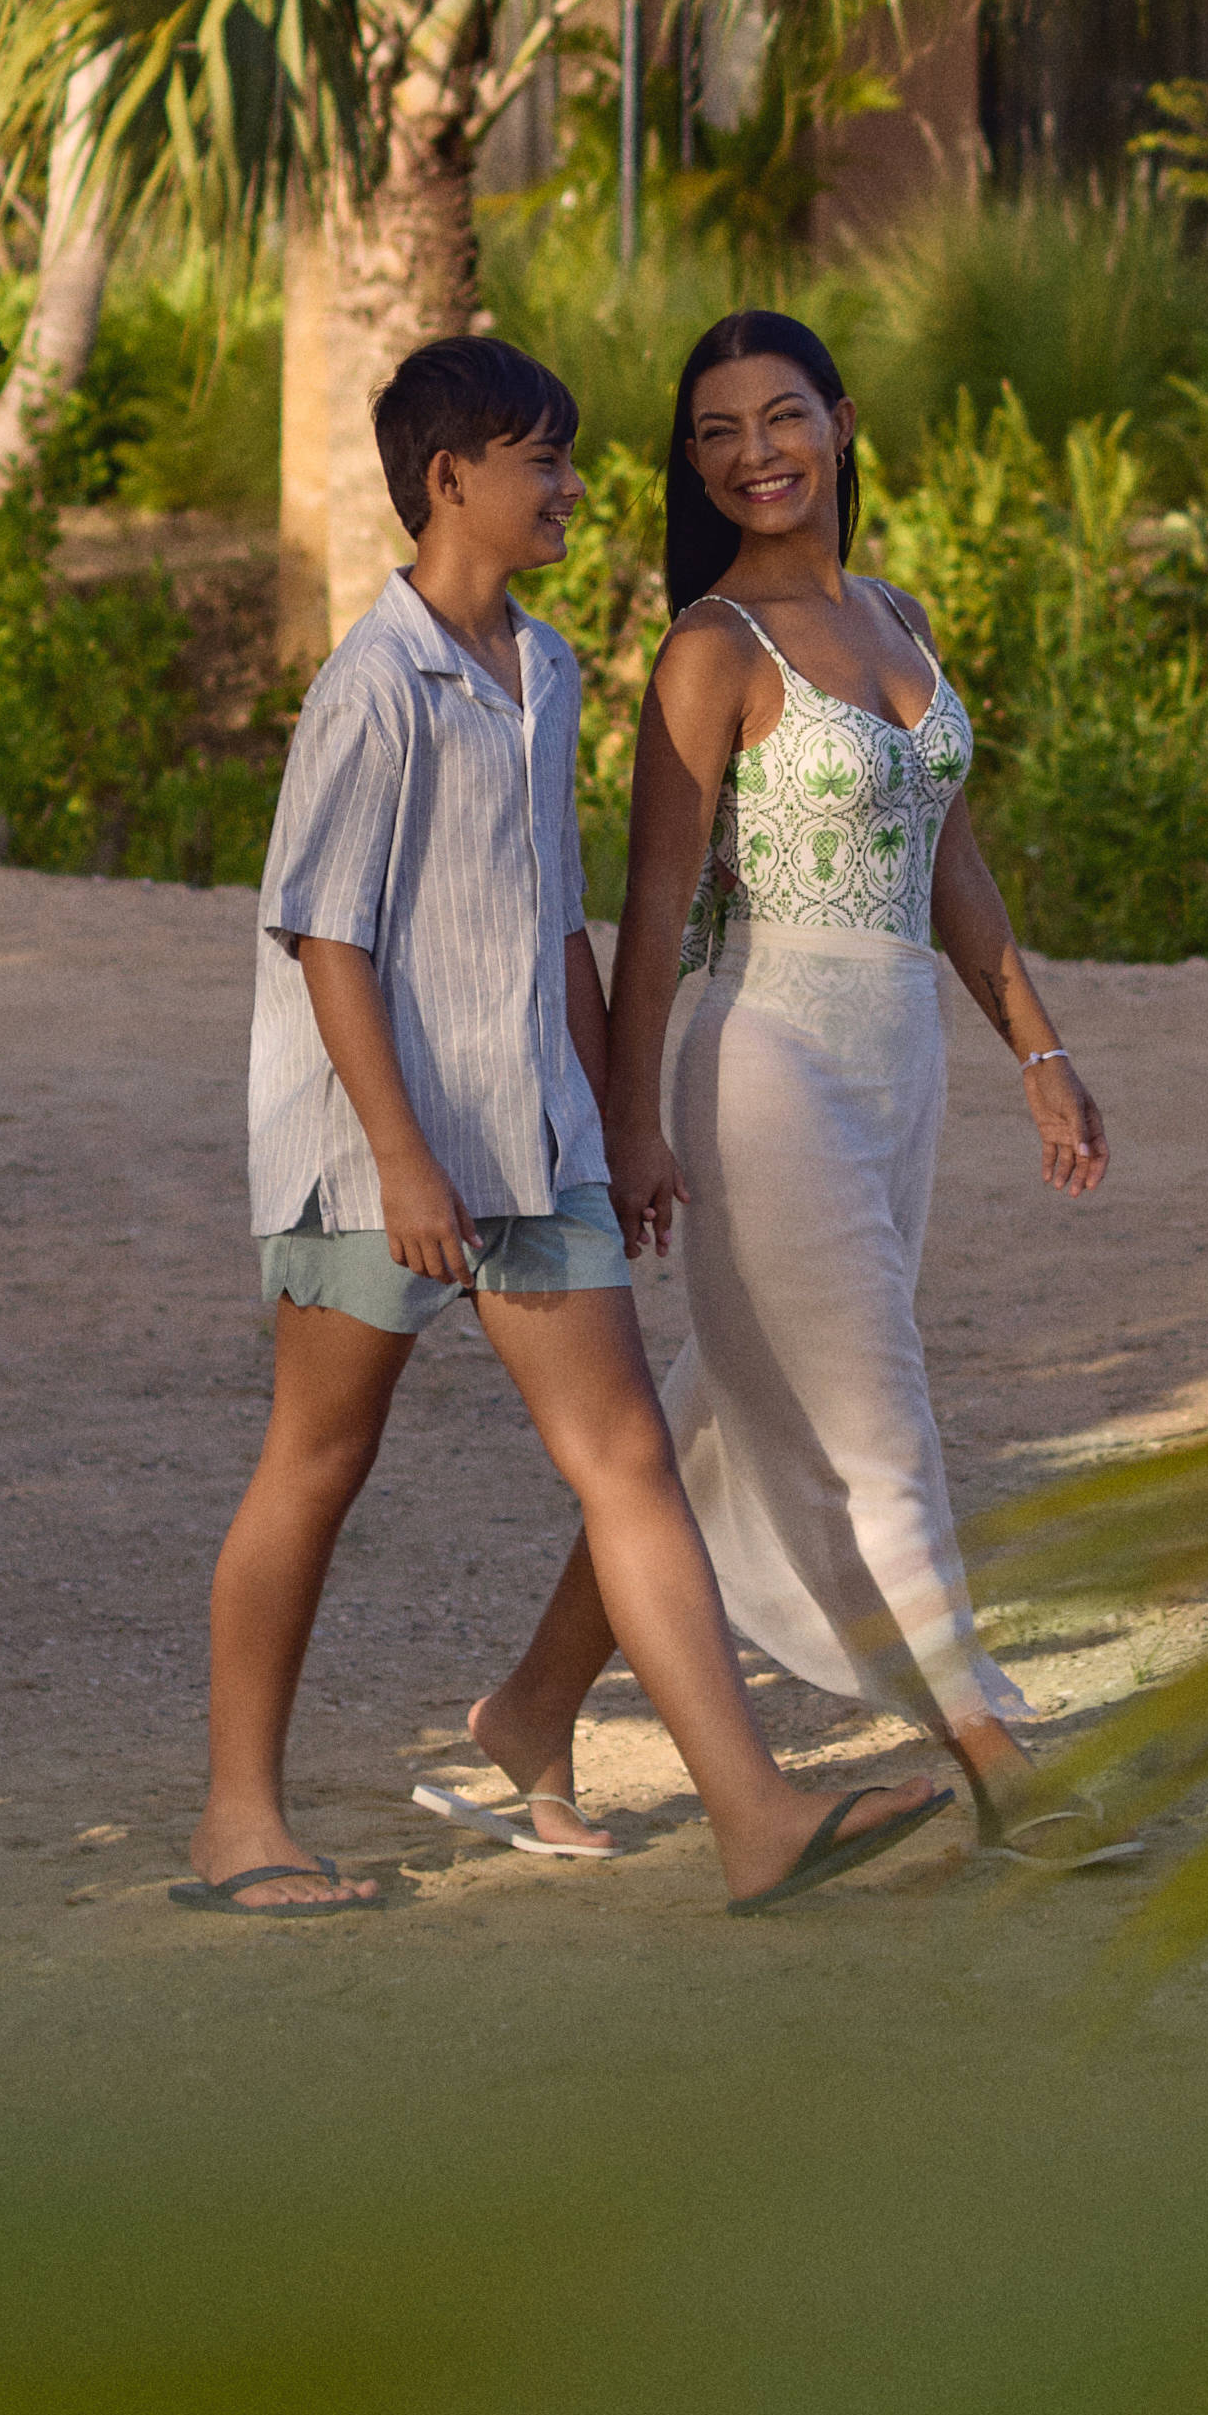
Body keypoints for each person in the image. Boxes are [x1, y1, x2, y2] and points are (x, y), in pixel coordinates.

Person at [190, 333, 949, 1921]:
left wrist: (618, 1123)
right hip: (374, 1154)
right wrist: (405, 1160)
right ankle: (237, 1821)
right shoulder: (371, 686)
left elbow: (559, 930)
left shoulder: (544, 672)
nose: (574, 486)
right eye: (543, 459)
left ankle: (754, 1817)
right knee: (318, 1458)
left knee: (629, 1461)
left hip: (534, 1140)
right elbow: (325, 937)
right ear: (449, 478)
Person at [432, 309, 1123, 1874]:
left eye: (783, 415)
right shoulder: (711, 649)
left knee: (725, 1410)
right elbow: (657, 901)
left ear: (842, 422)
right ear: (694, 465)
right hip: (767, 1068)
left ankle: (533, 1708)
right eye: (719, 431)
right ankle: (998, 1757)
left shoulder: (898, 616)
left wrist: (1039, 1047)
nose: (756, 452)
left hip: (901, 1068)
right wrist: (629, 1123)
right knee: (878, 1417)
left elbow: (949, 855)